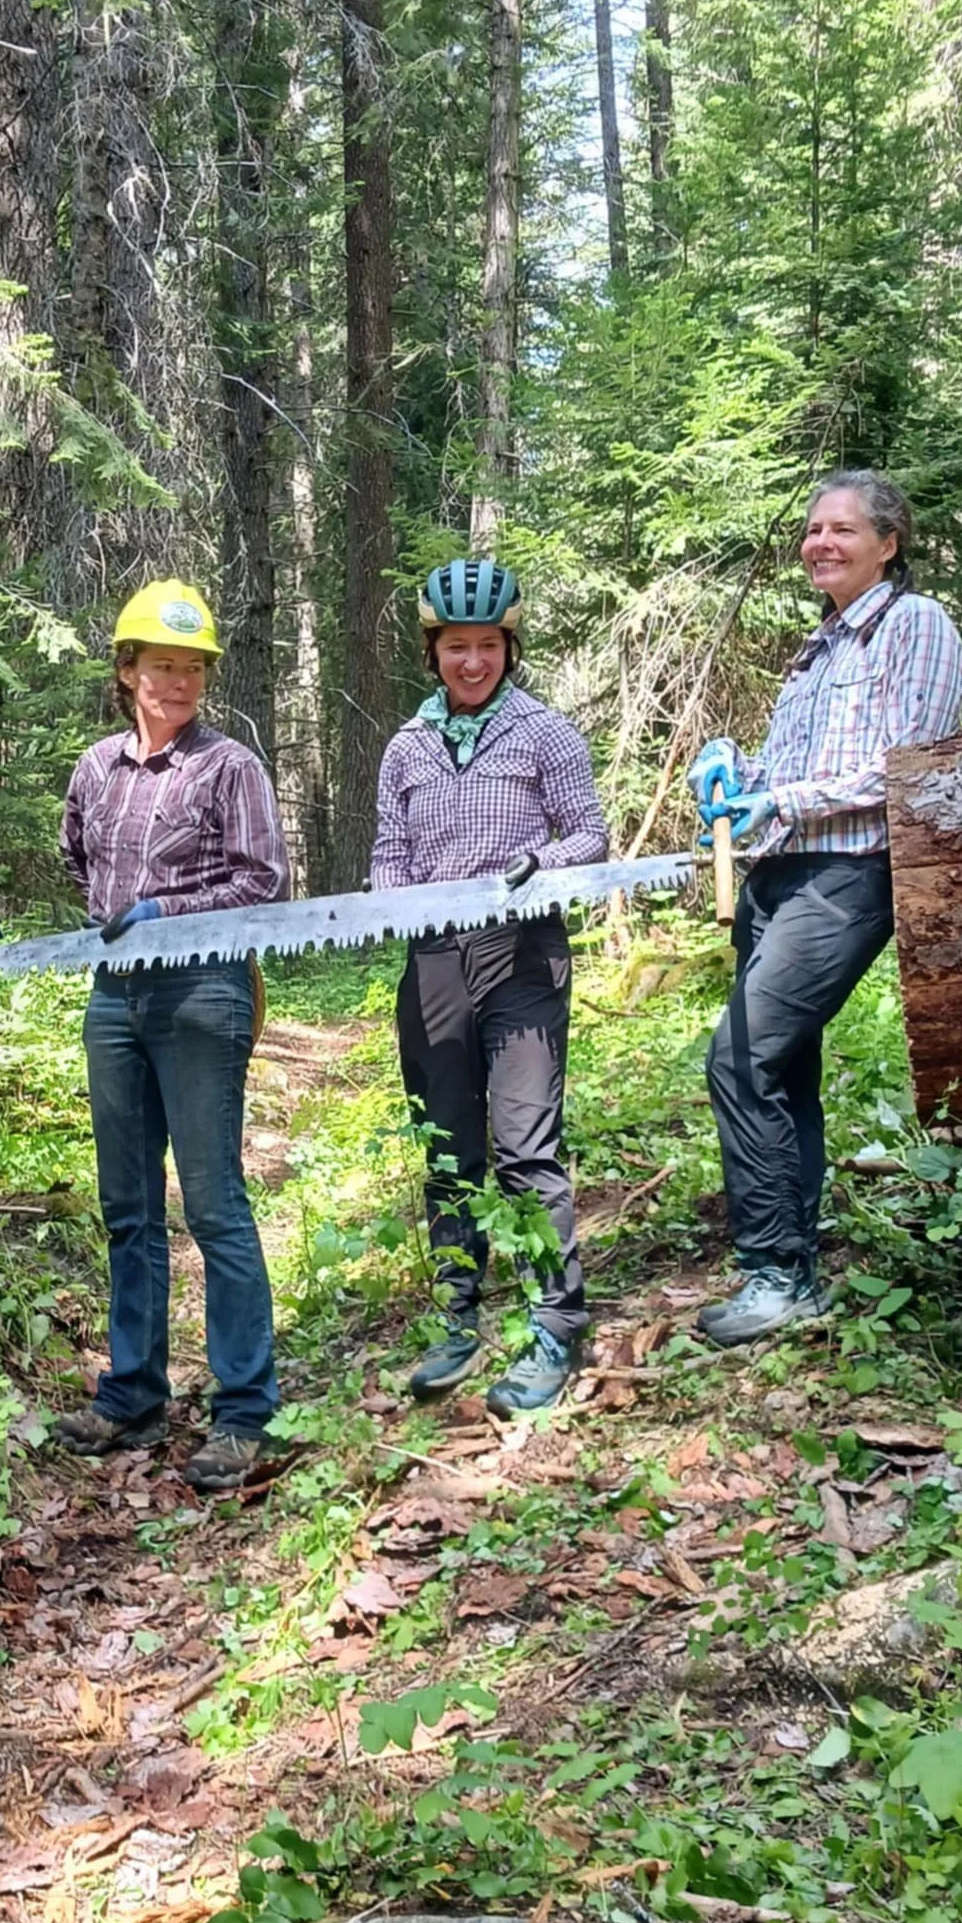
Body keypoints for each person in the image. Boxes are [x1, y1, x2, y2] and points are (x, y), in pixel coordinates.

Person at [688, 469, 962, 1345]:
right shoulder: (815, 653)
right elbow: (784, 777)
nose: (819, 543)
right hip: (777, 876)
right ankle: (794, 1262)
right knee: (784, 1068)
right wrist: (738, 778)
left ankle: (776, 1275)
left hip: (848, 876)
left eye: (841, 530)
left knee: (738, 1059)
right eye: (812, 531)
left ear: (889, 544)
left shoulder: (913, 626)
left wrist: (790, 801)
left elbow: (907, 762)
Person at [51, 580, 290, 1494]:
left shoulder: (230, 766)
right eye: (162, 668)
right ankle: (133, 1391)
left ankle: (243, 1410)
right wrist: (121, 918)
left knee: (215, 1203)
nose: (178, 684)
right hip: (116, 999)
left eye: (192, 669)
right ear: (128, 673)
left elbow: (263, 880)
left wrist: (170, 911)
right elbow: (79, 854)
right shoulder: (97, 767)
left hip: (202, 993)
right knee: (127, 1205)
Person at [373, 557, 610, 1416]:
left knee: (523, 1144)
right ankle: (458, 1312)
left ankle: (555, 1318)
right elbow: (387, 855)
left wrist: (537, 864)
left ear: (509, 648)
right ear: (432, 652)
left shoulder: (547, 734)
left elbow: (589, 833)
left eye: (487, 647)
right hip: (435, 958)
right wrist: (391, 901)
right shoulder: (407, 745)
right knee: (448, 1145)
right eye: (455, 649)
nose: (471, 663)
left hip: (523, 950)